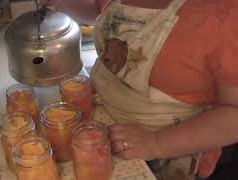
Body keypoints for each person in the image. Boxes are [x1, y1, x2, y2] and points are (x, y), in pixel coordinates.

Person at [41, 0, 238, 179]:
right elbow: (98, 11)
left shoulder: (226, 13)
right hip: (98, 122)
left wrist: (156, 143)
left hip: (162, 155)